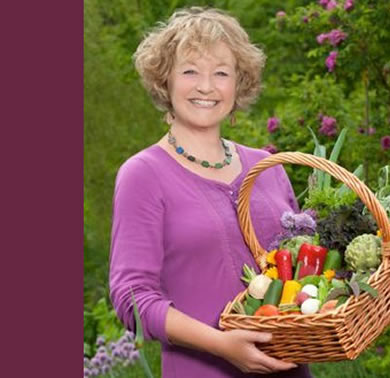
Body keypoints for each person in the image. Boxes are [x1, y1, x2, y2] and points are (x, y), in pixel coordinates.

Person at [108, 7, 311, 377]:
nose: (206, 86)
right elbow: (131, 297)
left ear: (239, 83)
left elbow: (303, 268)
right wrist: (221, 344)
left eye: (221, 73)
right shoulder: (143, 175)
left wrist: (368, 290)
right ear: (164, 81)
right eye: (190, 71)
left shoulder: (268, 167)